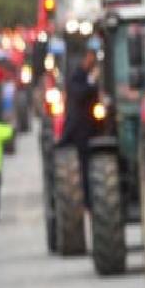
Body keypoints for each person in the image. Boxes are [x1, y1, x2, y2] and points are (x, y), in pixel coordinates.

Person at [58, 47, 100, 205]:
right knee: (82, 166)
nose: (92, 60)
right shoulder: (78, 77)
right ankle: (86, 200)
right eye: (90, 56)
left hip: (94, 129)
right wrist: (92, 84)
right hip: (80, 129)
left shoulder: (93, 76)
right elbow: (80, 93)